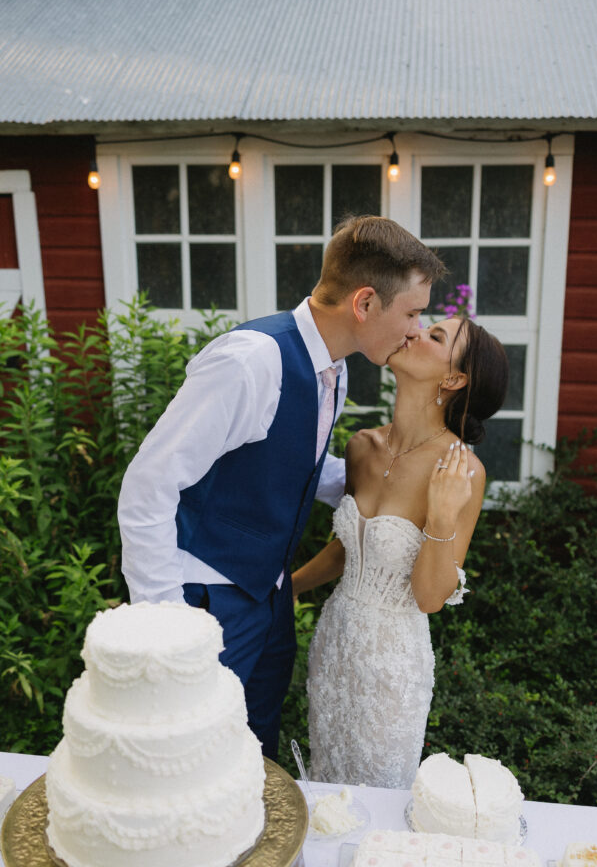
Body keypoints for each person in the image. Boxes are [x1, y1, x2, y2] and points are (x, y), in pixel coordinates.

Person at [117, 215, 445, 761]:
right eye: (412, 313)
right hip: (206, 598)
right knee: (192, 759)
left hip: (270, 597)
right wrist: (164, 623)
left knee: (253, 752)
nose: (415, 330)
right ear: (364, 304)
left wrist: (400, 483)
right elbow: (147, 485)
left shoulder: (335, 369)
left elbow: (291, 463)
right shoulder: (251, 361)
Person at [292, 315, 509, 787]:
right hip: (334, 646)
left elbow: (431, 597)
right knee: (329, 785)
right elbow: (350, 549)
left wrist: (443, 515)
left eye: (435, 337)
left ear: (453, 379)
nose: (414, 331)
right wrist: (288, 587)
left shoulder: (463, 471)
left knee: (379, 798)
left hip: (393, 666)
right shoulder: (362, 447)